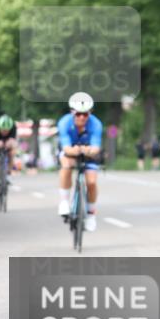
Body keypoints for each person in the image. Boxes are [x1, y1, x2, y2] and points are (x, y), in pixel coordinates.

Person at [56, 92, 103, 232]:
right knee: (66, 165)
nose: (82, 117)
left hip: (88, 153)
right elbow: (66, 148)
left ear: (90, 113)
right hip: (70, 151)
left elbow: (95, 148)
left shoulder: (96, 124)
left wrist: (88, 151)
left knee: (92, 182)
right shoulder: (64, 123)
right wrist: (75, 150)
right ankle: (64, 201)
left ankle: (91, 214)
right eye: (78, 114)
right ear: (72, 112)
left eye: (85, 114)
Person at [0, 115, 18, 204]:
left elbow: (14, 142)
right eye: (3, 130)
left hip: (7, 144)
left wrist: (11, 143)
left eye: (7, 131)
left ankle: (8, 173)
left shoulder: (13, 126)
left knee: (12, 152)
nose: (5, 132)